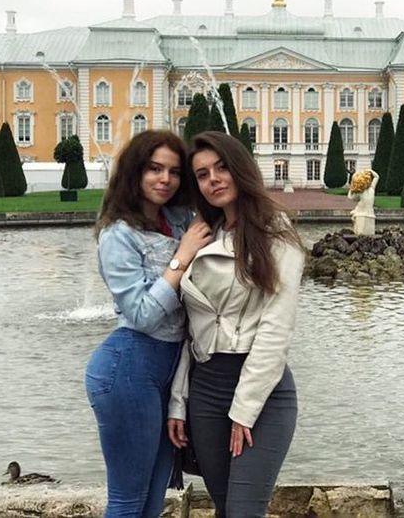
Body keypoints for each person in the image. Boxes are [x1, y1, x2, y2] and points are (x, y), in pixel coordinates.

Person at [167, 131, 305, 518]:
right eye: (202, 174)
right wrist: (178, 402)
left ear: (240, 169)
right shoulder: (201, 235)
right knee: (226, 508)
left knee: (244, 511)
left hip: (262, 391)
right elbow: (189, 331)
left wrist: (244, 409)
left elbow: (276, 330)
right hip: (206, 391)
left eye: (221, 168)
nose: (213, 179)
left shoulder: (276, 234)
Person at [85, 130, 212, 517]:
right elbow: (141, 314)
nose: (165, 179)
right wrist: (181, 258)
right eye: (154, 169)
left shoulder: (178, 219)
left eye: (174, 172)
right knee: (128, 500)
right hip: (128, 368)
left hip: (169, 369)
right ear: (135, 172)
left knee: (155, 497)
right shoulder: (118, 235)